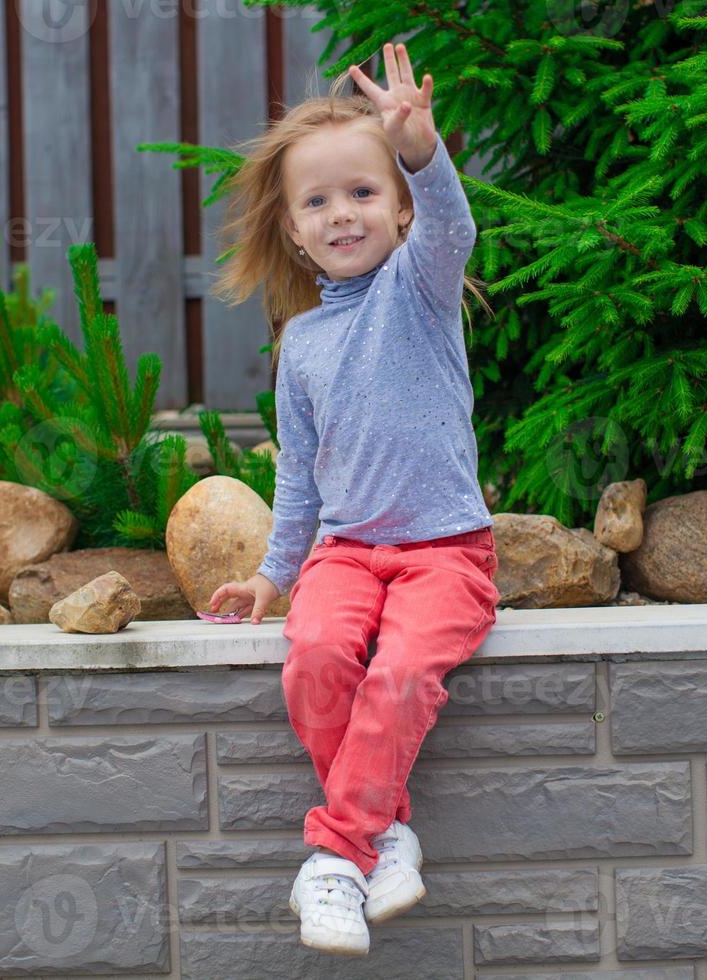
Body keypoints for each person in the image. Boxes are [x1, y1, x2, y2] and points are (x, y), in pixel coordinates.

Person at [205, 41, 500, 956]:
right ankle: (386, 832)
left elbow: (458, 229)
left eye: (365, 193)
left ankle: (334, 853)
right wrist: (271, 575)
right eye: (319, 201)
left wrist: (418, 146)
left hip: (445, 550)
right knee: (317, 657)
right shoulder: (301, 345)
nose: (343, 214)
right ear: (293, 229)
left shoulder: (420, 289)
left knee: (405, 671)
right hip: (344, 556)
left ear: (402, 212)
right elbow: (298, 475)